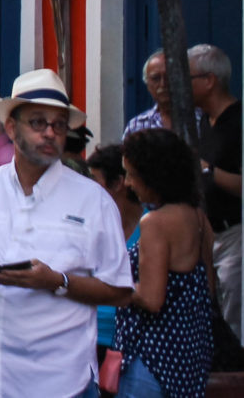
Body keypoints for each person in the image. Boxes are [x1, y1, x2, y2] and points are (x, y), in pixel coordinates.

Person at [0, 69, 133, 398]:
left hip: (60, 382)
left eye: (59, 125)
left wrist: (58, 282)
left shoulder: (93, 201)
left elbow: (120, 290)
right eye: (38, 122)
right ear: (11, 127)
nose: (49, 133)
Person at [116, 128, 214, 398]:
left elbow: (151, 298)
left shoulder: (155, 223)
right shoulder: (199, 219)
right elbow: (209, 288)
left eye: (132, 174)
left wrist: (113, 285)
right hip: (190, 358)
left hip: (153, 358)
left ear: (153, 175)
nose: (127, 183)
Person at [187, 43, 242, 330]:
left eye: (188, 77)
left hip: (233, 234)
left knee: (233, 315)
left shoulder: (240, 122)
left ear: (209, 81)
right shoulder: (205, 122)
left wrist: (206, 170)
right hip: (207, 235)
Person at [88, 145, 143, 361]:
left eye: (95, 179)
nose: (89, 187)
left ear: (119, 182)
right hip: (90, 332)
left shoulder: (152, 224)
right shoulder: (91, 222)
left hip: (132, 339)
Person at [124, 50, 205, 138]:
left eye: (169, 77)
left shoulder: (202, 120)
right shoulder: (137, 125)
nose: (163, 84)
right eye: (156, 78)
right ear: (147, 84)